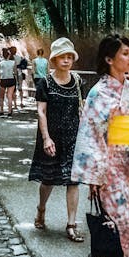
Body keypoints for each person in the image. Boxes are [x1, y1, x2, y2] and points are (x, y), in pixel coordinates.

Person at [72, 34, 129, 257]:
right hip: (110, 164)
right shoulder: (98, 93)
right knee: (120, 221)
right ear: (109, 59)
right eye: (125, 53)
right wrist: (94, 176)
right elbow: (91, 135)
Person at [30, 38, 84, 242]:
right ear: (54, 59)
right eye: (63, 57)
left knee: (73, 181)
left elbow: (82, 109)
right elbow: (41, 112)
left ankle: (71, 224)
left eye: (70, 56)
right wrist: (46, 138)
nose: (67, 60)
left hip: (73, 138)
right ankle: (41, 209)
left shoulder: (78, 81)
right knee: (48, 180)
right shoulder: (45, 83)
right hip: (51, 137)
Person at [0, 48, 18, 115]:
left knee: (1, 96)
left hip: (3, 80)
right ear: (9, 55)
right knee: (9, 96)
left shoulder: (0, 63)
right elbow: (15, 73)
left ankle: (1, 110)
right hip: (11, 79)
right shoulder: (13, 63)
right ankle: (9, 111)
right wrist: (16, 81)